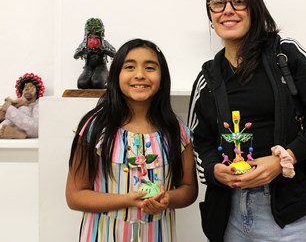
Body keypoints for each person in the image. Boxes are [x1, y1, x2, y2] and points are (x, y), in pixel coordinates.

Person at [187, 0, 306, 242]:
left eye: (239, 0)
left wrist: (283, 159)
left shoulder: (285, 53)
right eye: (218, 3)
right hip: (228, 213)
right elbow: (199, 141)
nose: (228, 10)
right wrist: (214, 170)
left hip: (285, 213)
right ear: (211, 16)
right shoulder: (208, 76)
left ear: (254, 7)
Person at [66, 38, 198, 242]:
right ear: (116, 74)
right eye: (129, 67)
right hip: (103, 235)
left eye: (150, 67)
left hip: (158, 235)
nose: (140, 75)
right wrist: (126, 200)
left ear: (162, 77)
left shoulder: (177, 131)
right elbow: (75, 196)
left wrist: (168, 198)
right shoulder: (94, 127)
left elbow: (189, 189)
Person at [74, 18, 116, 89]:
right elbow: (75, 56)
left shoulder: (104, 44)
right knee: (82, 83)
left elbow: (115, 55)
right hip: (88, 67)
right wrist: (83, 51)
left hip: (101, 67)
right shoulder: (84, 45)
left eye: (96, 37)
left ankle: (104, 81)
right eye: (90, 37)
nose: (93, 40)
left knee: (97, 83)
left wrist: (105, 51)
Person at [0, 73, 45, 139]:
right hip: (5, 128)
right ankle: (18, 134)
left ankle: (17, 133)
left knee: (24, 109)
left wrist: (9, 109)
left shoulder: (37, 106)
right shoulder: (15, 103)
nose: (27, 88)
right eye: (25, 87)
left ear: (37, 91)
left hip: (27, 128)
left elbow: (36, 129)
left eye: (31, 86)